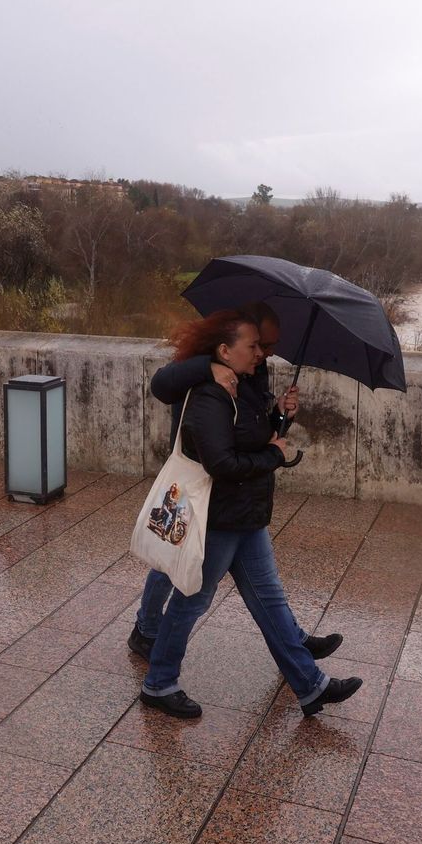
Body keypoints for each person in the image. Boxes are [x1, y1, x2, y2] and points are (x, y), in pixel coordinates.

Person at [138, 309, 362, 720]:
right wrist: (273, 456)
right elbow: (222, 463)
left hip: (247, 513)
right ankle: (158, 683)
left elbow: (257, 434)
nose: (262, 354)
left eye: (266, 346)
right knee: (191, 601)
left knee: (269, 598)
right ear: (225, 350)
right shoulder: (210, 392)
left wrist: (281, 415)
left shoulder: (245, 382)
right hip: (220, 516)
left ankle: (311, 686)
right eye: (255, 346)